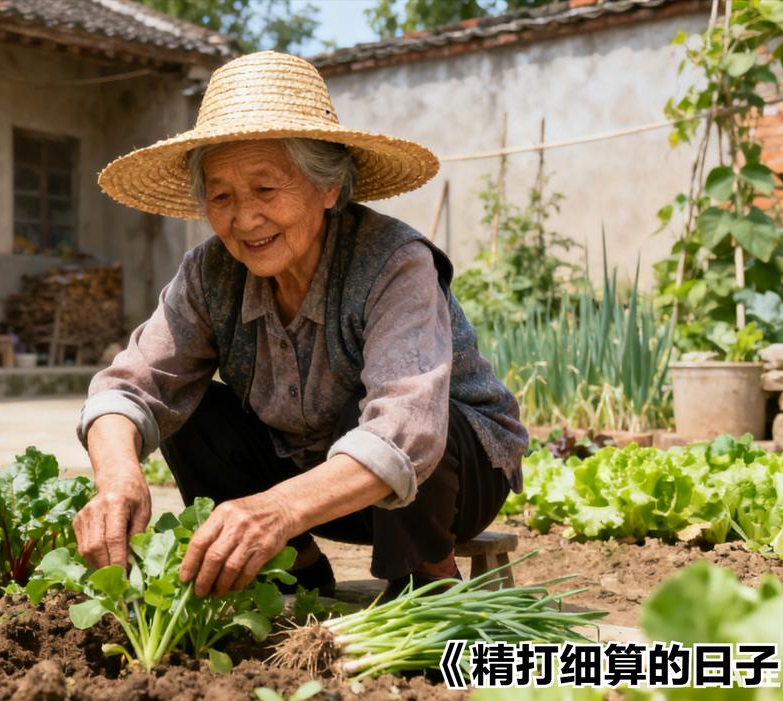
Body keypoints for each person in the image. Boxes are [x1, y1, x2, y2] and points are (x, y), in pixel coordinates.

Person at [73, 51, 526, 600]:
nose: (244, 219)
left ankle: (426, 581)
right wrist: (118, 475)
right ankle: (297, 564)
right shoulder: (209, 272)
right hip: (314, 484)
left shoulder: (393, 260)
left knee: (381, 416)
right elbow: (127, 388)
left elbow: (407, 431)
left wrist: (276, 509)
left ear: (328, 187)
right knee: (191, 416)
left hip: (447, 484)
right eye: (221, 196)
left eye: (266, 189)